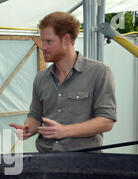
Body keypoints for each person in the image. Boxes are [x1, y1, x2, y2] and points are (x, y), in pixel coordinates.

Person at [10, 11, 117, 152]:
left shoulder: (99, 72)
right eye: (42, 41)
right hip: (46, 162)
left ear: (66, 39)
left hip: (85, 164)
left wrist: (65, 131)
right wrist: (28, 129)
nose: (43, 47)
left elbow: (106, 121)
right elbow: (35, 116)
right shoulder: (41, 78)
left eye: (48, 41)